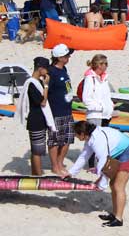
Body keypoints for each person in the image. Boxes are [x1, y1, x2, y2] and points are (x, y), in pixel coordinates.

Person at [63, 121, 129, 227]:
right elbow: (84, 156)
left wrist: (101, 184)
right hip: (118, 152)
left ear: (82, 133)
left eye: (76, 134)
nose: (75, 136)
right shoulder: (90, 137)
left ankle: (119, 219)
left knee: (118, 186)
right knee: (113, 185)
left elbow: (103, 161)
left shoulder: (97, 140)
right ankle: (114, 214)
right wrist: (71, 173)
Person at [15, 57, 56, 175]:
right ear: (40, 68)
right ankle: (37, 174)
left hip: (39, 119)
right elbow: (42, 101)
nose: (47, 71)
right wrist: (46, 86)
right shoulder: (32, 83)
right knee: (37, 151)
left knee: (37, 149)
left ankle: (35, 173)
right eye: (46, 68)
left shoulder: (37, 82)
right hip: (36, 119)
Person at [47, 43, 75, 175]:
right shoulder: (51, 72)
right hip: (55, 111)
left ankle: (59, 162)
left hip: (67, 110)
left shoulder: (64, 69)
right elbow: (45, 91)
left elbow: (67, 88)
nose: (69, 57)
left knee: (67, 139)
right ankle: (55, 166)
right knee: (55, 140)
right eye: (66, 55)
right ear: (59, 57)